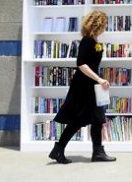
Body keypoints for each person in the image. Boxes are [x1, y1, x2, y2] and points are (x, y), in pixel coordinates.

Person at [49, 10, 116, 164]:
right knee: (78, 120)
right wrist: (99, 79)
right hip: (84, 86)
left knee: (97, 119)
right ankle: (58, 149)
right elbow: (81, 64)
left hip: (91, 85)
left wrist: (98, 81)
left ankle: (97, 152)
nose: (105, 27)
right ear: (97, 24)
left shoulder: (95, 42)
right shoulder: (87, 41)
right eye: (104, 24)